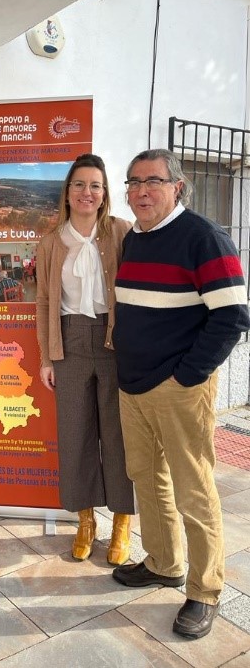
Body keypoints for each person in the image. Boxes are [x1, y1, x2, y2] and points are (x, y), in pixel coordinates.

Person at [112, 149, 250, 639]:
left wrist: (188, 376)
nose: (141, 191)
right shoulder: (134, 238)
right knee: (147, 479)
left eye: (153, 181)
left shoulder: (204, 236)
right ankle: (165, 562)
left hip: (178, 388)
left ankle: (205, 589)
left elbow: (232, 314)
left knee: (193, 488)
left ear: (178, 187)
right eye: (133, 182)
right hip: (133, 384)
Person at [36, 154, 135, 564]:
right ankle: (85, 520)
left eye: (95, 185)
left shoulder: (121, 232)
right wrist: (46, 356)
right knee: (75, 434)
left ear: (105, 193)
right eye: (79, 184)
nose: (87, 193)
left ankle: (123, 523)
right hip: (70, 340)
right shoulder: (51, 241)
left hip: (115, 341)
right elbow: (43, 301)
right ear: (68, 191)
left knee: (118, 436)